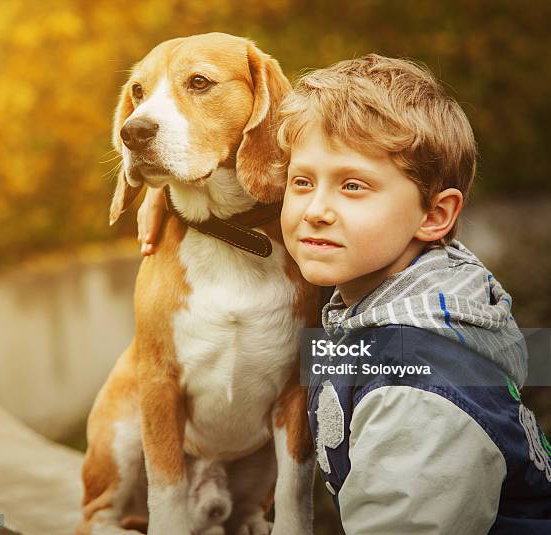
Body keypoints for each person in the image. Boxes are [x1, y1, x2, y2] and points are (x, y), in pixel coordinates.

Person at [134, 54, 551, 533]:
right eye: (302, 181)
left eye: (352, 186)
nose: (316, 210)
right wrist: (163, 177)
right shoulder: (394, 296)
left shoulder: (412, 391)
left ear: (435, 216)